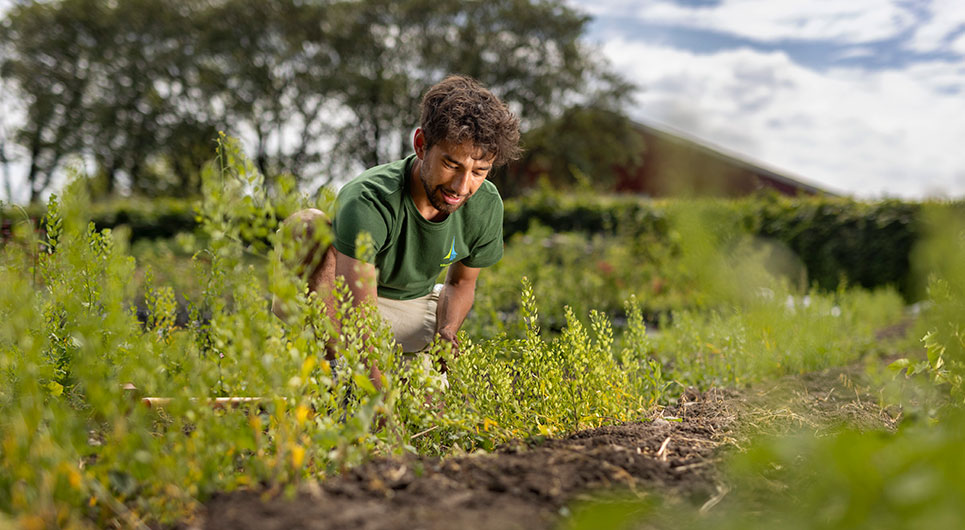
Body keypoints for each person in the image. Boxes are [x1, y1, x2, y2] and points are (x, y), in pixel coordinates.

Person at [273, 75, 521, 388]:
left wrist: (448, 330)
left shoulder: (485, 204)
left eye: (479, 172)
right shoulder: (368, 199)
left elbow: (460, 282)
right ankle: (337, 371)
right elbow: (356, 316)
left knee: (428, 407)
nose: (462, 186)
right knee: (305, 226)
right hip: (344, 310)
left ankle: (378, 376)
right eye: (451, 165)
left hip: (413, 312)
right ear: (421, 145)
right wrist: (376, 401)